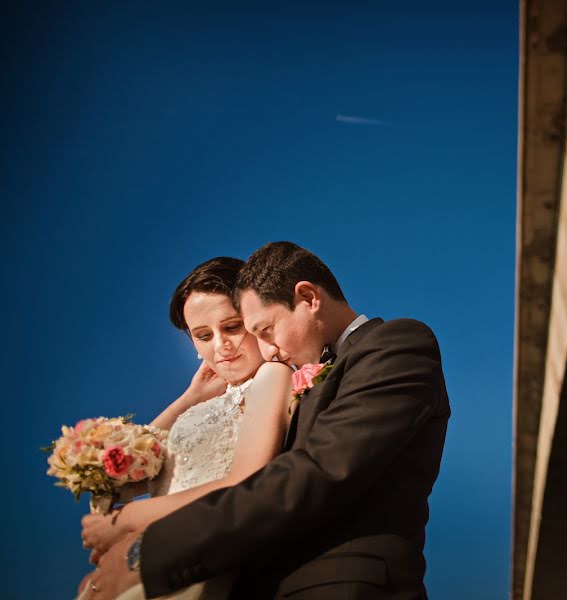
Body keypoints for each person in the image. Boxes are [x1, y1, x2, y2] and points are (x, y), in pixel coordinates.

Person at [81, 241, 451, 600]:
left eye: (264, 330)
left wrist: (144, 553)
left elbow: (314, 475)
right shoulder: (299, 373)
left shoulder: (396, 345)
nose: (269, 350)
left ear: (308, 298)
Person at [79, 256, 294, 599]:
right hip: (147, 553)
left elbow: (244, 483)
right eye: (204, 335)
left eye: (233, 327)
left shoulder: (273, 375)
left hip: (198, 554)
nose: (221, 345)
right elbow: (119, 476)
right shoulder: (198, 405)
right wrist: (188, 398)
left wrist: (126, 521)